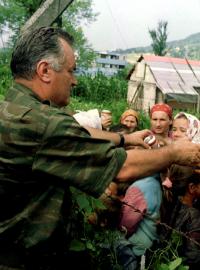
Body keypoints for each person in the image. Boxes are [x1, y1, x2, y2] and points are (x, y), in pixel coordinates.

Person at [0, 26, 200, 270]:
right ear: (44, 71)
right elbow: (121, 167)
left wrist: (126, 139)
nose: (74, 80)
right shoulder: (45, 123)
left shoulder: (12, 109)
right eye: (71, 71)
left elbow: (76, 134)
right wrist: (175, 152)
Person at [164, 165, 200, 269]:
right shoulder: (194, 215)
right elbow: (193, 255)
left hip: (167, 259)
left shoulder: (169, 202)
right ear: (192, 187)